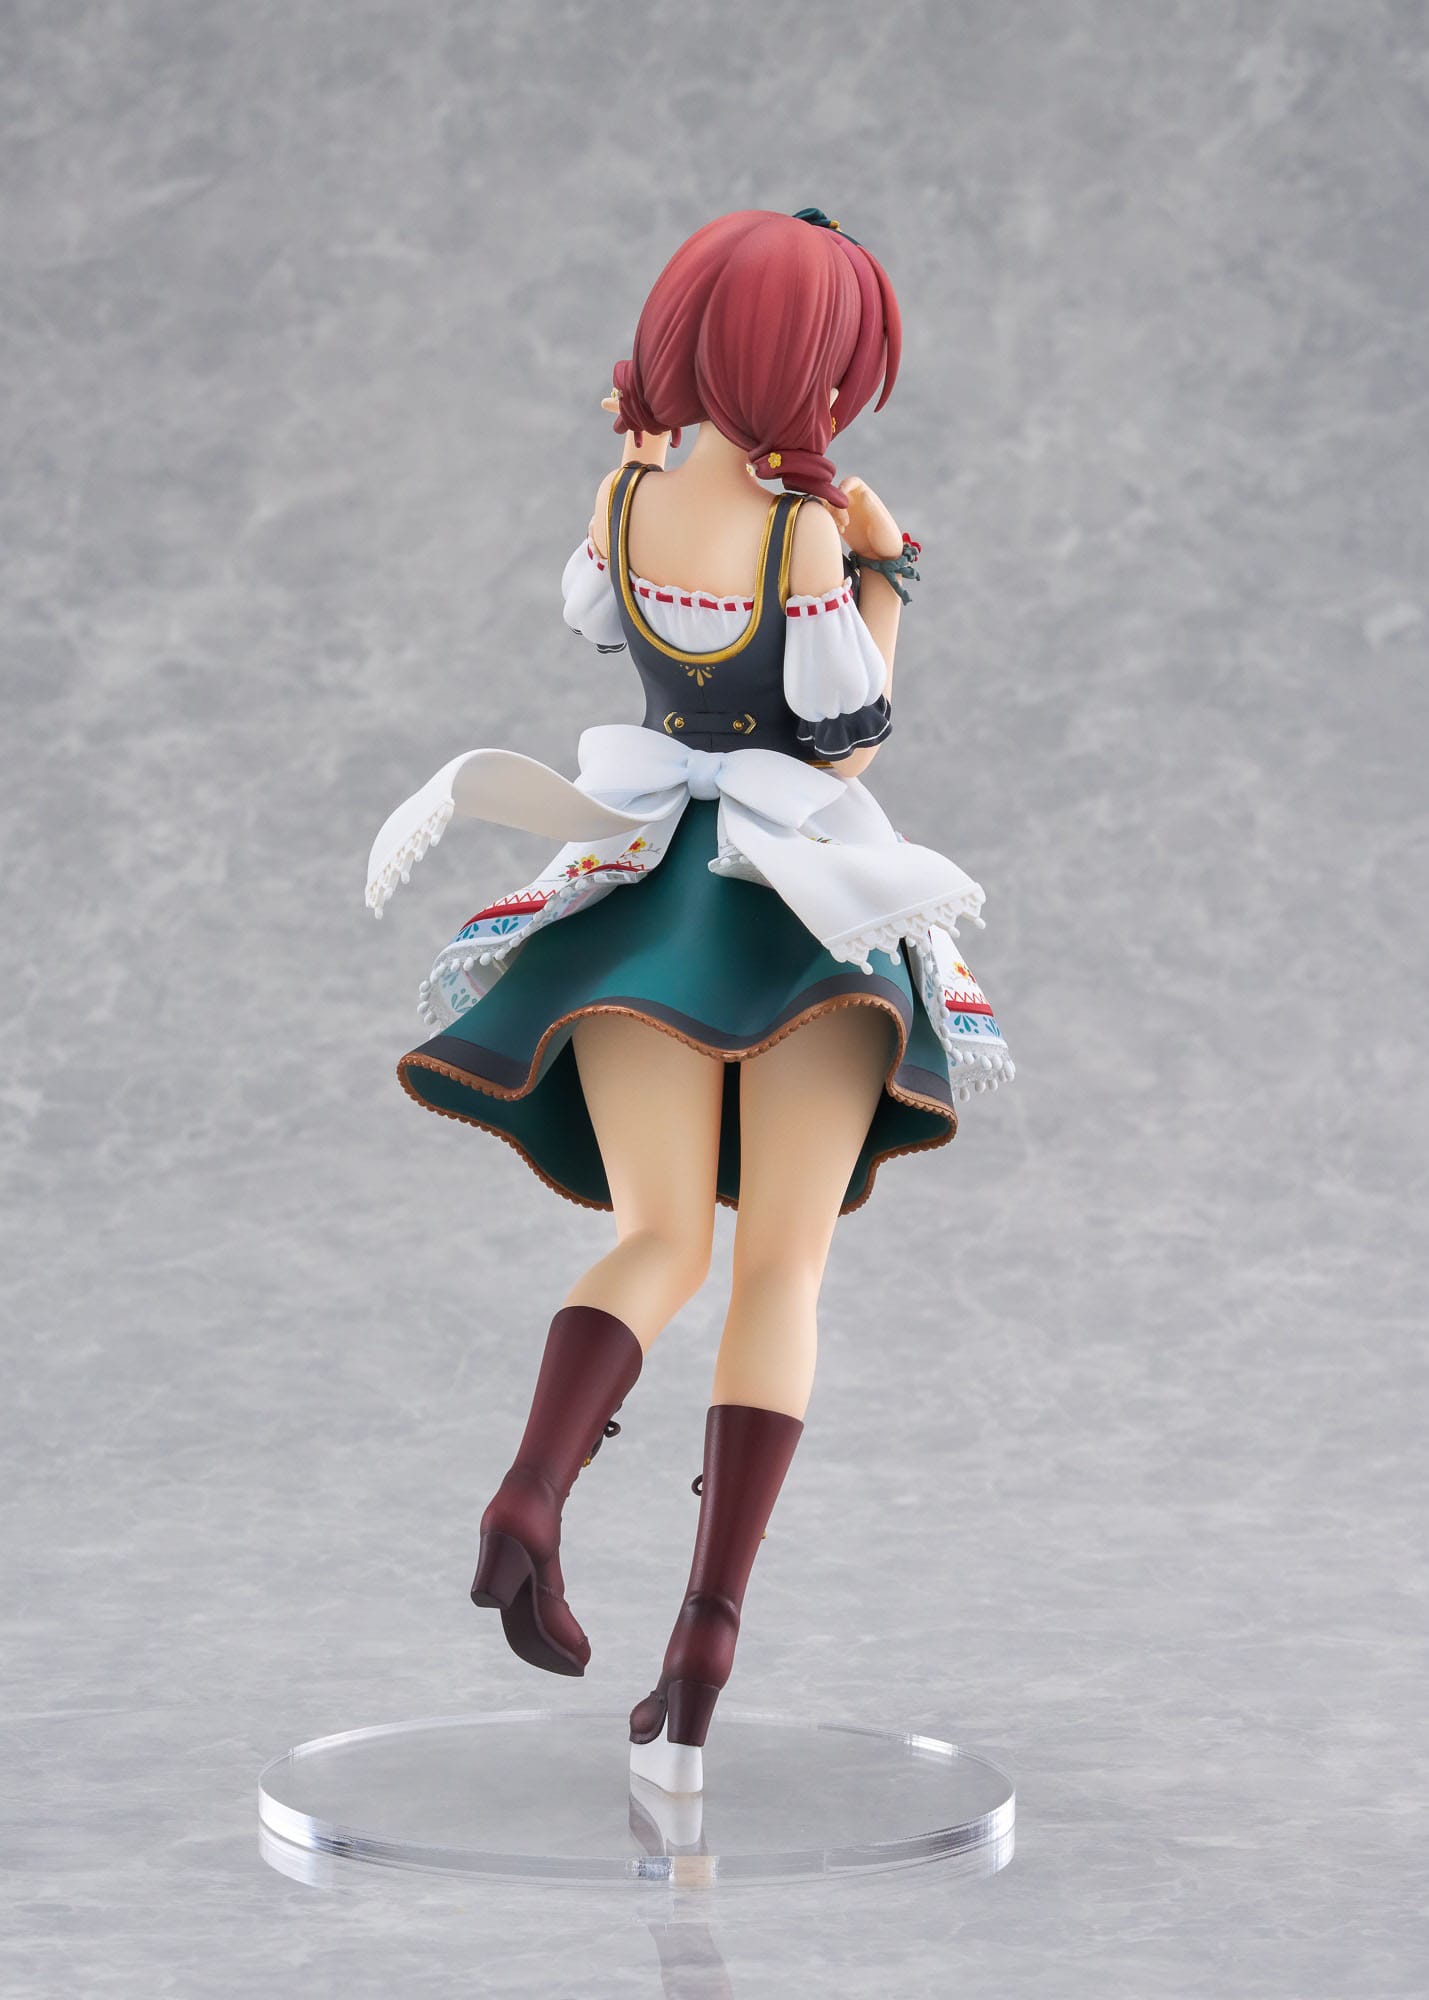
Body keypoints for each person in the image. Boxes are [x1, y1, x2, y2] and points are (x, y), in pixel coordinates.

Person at [365, 208, 1014, 1794]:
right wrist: (885, 567)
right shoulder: (805, 542)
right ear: (813, 365)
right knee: (779, 1265)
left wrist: (660, 462)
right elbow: (846, 738)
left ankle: (531, 1488)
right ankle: (705, 1639)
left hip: (648, 894)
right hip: (794, 913)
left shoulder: (625, 497)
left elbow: (598, 622)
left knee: (657, 1234)